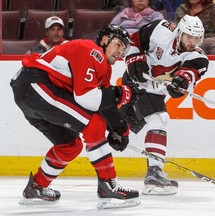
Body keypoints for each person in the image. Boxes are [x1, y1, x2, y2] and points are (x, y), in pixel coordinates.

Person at [10, 24, 145, 209]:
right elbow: (88, 99)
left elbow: (103, 104)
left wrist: (121, 129)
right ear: (105, 40)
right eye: (119, 44)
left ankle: (36, 187)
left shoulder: (104, 69)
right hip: (37, 85)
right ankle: (108, 185)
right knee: (94, 125)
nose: (121, 52)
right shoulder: (92, 51)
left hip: (29, 92)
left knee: (70, 146)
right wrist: (123, 93)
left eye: (124, 48)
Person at [120, 15, 209, 195]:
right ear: (179, 33)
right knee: (159, 119)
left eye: (197, 38)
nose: (192, 42)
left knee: (121, 128)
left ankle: (153, 174)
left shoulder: (199, 58)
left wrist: (181, 83)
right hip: (134, 82)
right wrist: (134, 58)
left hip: (154, 93)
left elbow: (190, 73)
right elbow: (134, 41)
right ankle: (154, 174)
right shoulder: (160, 29)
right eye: (189, 37)